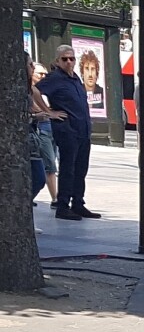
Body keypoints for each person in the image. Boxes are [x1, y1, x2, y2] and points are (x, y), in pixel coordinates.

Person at [38, 44, 98, 220]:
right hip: (67, 130)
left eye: (71, 58)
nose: (69, 62)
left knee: (81, 169)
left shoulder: (75, 77)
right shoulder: (55, 78)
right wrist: (49, 112)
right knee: (68, 168)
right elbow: (34, 90)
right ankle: (62, 205)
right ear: (58, 61)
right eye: (65, 59)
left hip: (83, 130)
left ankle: (78, 203)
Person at [28, 57, 63, 207]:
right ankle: (54, 198)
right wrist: (43, 114)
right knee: (47, 168)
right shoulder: (30, 90)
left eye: (44, 74)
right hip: (39, 131)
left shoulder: (43, 89)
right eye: (39, 73)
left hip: (47, 129)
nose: (43, 76)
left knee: (50, 165)